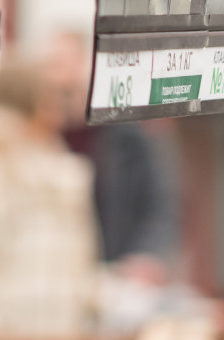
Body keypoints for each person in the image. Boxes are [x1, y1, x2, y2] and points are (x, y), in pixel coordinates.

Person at [0, 58, 99, 340]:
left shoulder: (63, 176)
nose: (59, 114)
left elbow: (78, 271)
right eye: (50, 100)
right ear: (27, 105)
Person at [43, 31, 181, 287]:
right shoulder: (41, 137)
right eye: (50, 65)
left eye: (62, 63)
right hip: (63, 279)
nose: (56, 76)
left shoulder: (126, 132)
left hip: (118, 271)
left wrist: (148, 254)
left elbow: (161, 199)